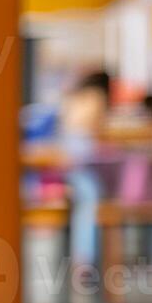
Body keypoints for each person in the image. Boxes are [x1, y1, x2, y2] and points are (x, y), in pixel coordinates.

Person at [57, 70, 111, 283]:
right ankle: (84, 262)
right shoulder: (96, 97)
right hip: (79, 167)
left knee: (92, 195)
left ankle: (86, 262)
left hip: (68, 166)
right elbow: (96, 129)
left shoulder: (73, 98)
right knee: (91, 196)